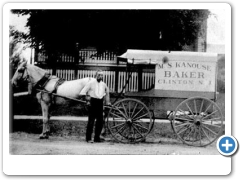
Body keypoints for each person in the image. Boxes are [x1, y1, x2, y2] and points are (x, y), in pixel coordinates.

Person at [80, 70, 111, 143]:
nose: (100, 76)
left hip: (100, 103)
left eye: (102, 75)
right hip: (92, 102)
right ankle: (88, 138)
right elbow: (83, 92)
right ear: (96, 75)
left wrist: (107, 102)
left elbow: (106, 93)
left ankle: (97, 138)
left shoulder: (103, 84)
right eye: (99, 75)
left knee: (100, 122)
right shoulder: (91, 83)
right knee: (91, 121)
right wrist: (87, 100)